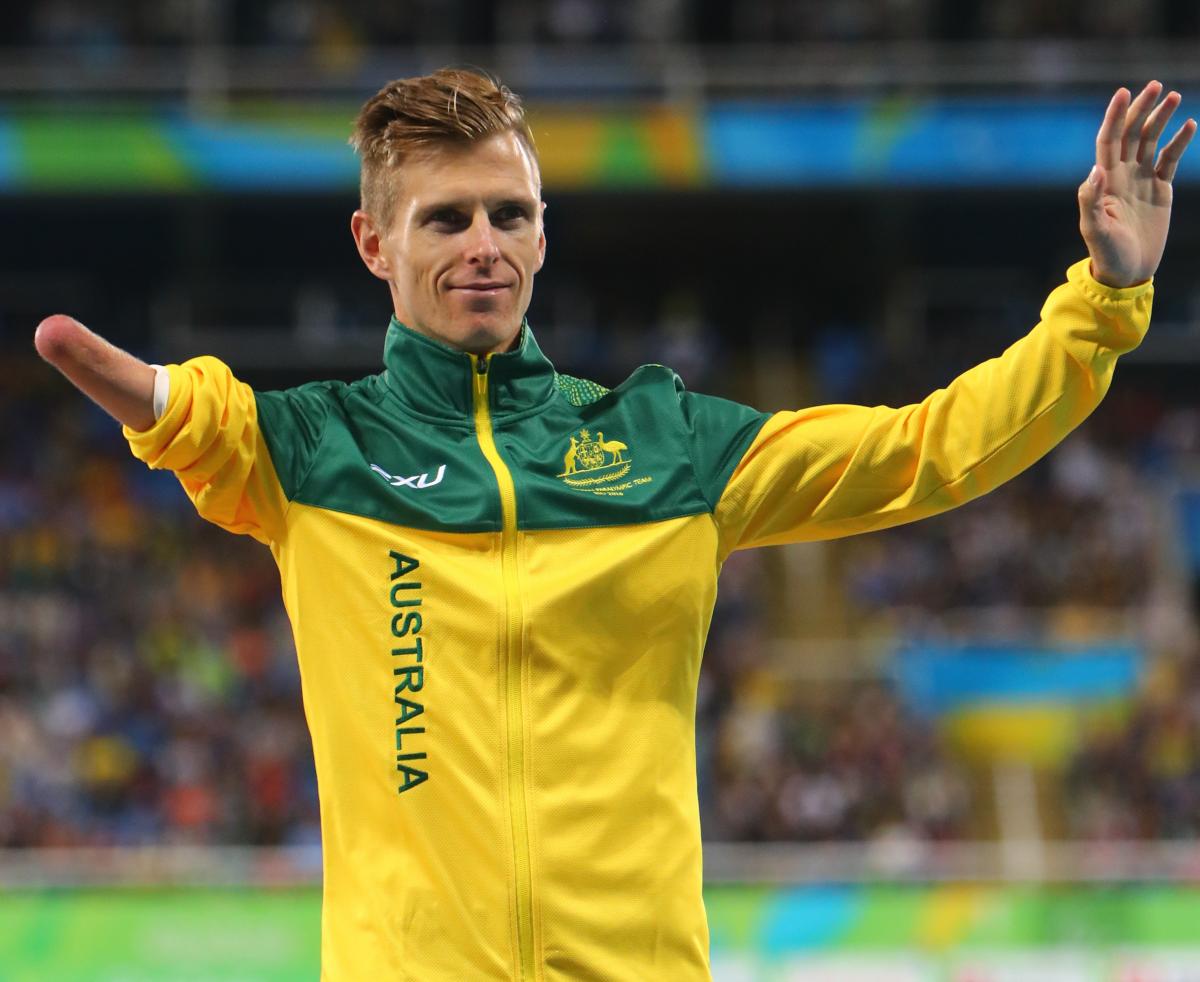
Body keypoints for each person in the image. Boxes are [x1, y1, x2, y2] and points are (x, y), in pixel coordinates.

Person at [32, 69, 1194, 980]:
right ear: (374, 244)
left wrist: (1100, 304)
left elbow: (925, 450)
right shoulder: (316, 451)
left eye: (508, 213)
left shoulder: (667, 445)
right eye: (444, 219)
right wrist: (152, 399)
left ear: (543, 233)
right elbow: (207, 420)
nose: (482, 243)